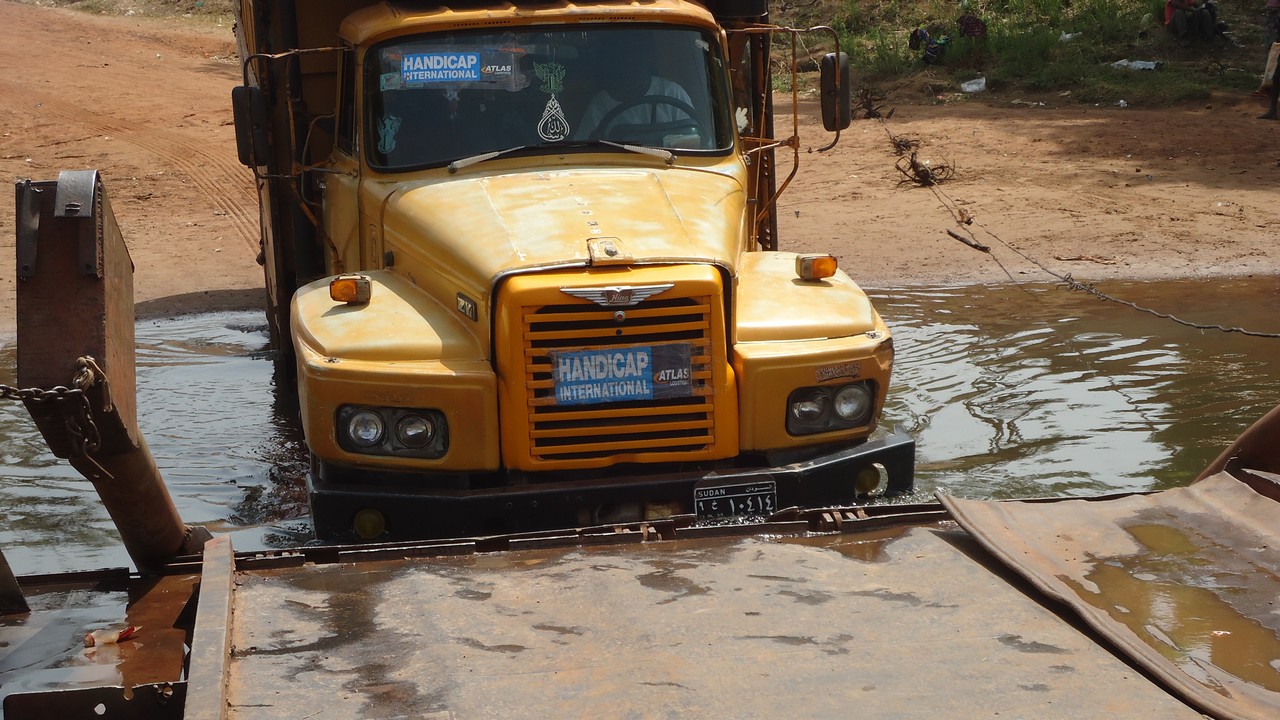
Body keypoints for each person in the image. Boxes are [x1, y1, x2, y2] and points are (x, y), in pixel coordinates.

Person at [575, 39, 695, 143]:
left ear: (647, 59)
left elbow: (695, 139)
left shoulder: (672, 92)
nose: (631, 64)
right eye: (624, 58)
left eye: (636, 56)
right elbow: (584, 147)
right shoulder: (601, 104)